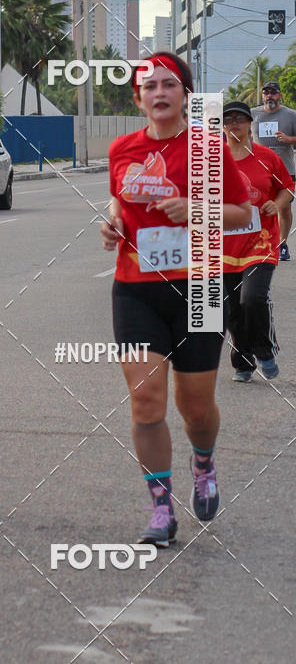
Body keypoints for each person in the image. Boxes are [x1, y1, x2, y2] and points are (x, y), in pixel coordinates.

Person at [101, 52, 251, 547]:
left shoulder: (210, 148)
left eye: (169, 84)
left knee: (197, 408)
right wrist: (112, 221)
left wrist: (195, 208)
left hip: (200, 288)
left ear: (185, 95)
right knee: (146, 400)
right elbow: (119, 199)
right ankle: (161, 509)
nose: (159, 93)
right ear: (138, 98)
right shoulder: (122, 148)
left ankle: (203, 463)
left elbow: (241, 213)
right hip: (136, 289)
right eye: (150, 86)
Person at [222, 100, 293, 381]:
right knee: (233, 309)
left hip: (260, 243)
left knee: (253, 298)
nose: (234, 123)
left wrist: (277, 204)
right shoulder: (211, 161)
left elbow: (288, 188)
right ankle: (243, 363)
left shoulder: (267, 157)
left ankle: (265, 350)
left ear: (250, 123)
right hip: (225, 247)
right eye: (228, 119)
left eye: (240, 118)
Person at [251, 80, 296, 261]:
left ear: (280, 95)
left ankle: (282, 244)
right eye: (266, 92)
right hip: (259, 170)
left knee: (283, 208)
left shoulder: (291, 115)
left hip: (285, 169)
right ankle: (260, 243)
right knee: (257, 207)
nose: (269, 96)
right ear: (262, 95)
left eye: (273, 92)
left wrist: (289, 139)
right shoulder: (252, 114)